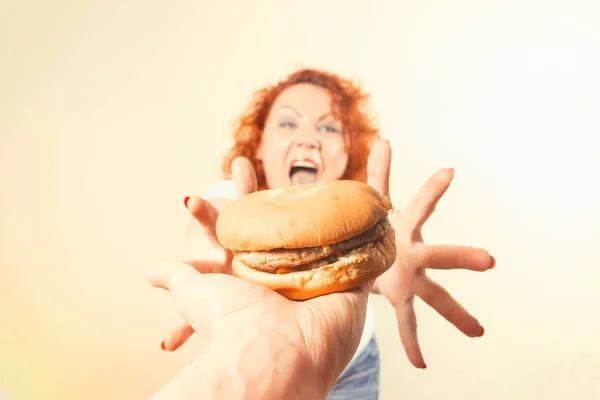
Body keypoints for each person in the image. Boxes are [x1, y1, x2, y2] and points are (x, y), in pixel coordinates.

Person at [149, 69, 495, 399]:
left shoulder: (356, 209)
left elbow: (370, 254)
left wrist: (382, 260)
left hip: (357, 363)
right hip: (272, 360)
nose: (308, 138)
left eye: (329, 128)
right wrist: (219, 260)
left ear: (348, 151)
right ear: (257, 144)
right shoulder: (233, 198)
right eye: (287, 122)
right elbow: (207, 226)